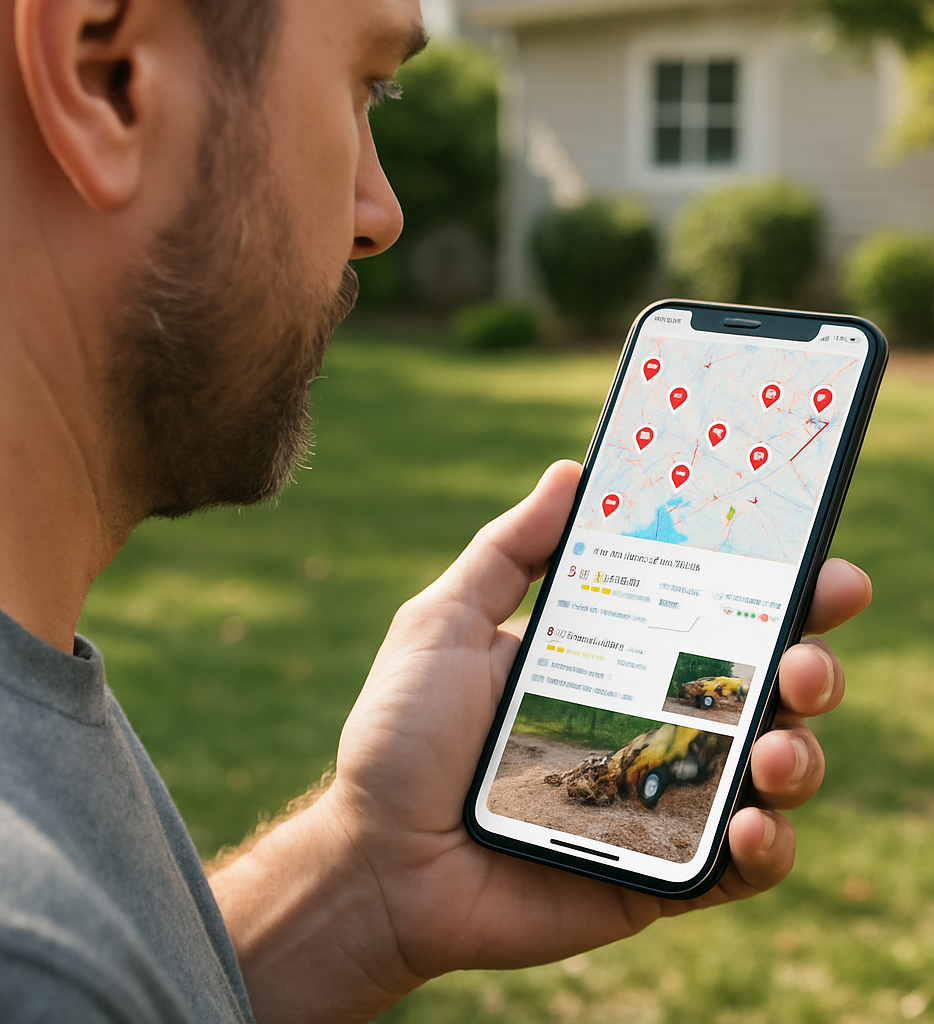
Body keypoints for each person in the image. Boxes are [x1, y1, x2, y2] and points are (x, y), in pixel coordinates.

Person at [0, 0, 873, 1021]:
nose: (380, 213)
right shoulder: (35, 960)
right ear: (105, 77)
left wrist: (366, 881)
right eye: (364, 87)